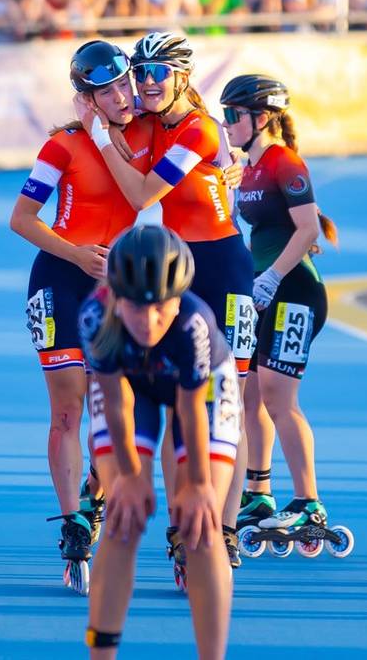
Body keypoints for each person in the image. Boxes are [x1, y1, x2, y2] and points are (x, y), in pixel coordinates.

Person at [75, 32, 255, 573]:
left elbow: (139, 194)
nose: (146, 83)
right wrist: (92, 117)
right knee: (168, 402)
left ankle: (222, 529)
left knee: (227, 404)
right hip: (178, 269)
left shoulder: (199, 128)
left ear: (182, 77)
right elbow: (94, 108)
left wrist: (236, 156)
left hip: (223, 266)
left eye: (159, 73)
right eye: (141, 72)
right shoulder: (148, 123)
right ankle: (112, 495)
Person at [9, 41, 154, 591]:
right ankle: (72, 521)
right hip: (60, 279)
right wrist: (74, 253)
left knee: (119, 408)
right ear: (85, 99)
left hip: (114, 288)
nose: (121, 97)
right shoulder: (62, 145)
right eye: (106, 91)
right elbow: (21, 219)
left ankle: (93, 494)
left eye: (125, 85)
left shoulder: (147, 132)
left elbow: (199, 145)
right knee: (68, 411)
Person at [81, 225, 238, 660]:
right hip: (133, 389)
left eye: (161, 308)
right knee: (122, 518)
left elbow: (190, 411)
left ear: (178, 298)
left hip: (202, 392)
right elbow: (114, 403)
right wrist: (130, 477)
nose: (148, 321)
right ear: (114, 296)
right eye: (135, 306)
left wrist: (198, 485)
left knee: (202, 527)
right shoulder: (95, 318)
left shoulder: (194, 321)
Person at [219, 75, 340, 542]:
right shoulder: (246, 165)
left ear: (261, 118)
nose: (227, 124)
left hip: (295, 291)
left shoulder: (284, 162)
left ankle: (309, 502)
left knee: (277, 396)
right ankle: (259, 490)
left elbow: (307, 229)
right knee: (249, 394)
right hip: (262, 291)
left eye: (234, 115)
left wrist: (270, 277)